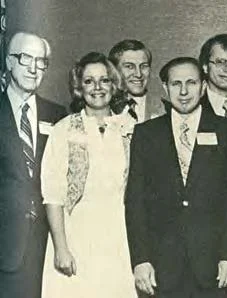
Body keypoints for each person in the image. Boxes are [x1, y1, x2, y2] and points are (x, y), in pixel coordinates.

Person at [125, 57, 227, 298]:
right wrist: (141, 260)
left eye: (191, 82)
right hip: (162, 266)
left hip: (214, 266)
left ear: (203, 87)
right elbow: (136, 202)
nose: (183, 91)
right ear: (166, 88)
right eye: (176, 83)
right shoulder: (147, 134)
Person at [40, 52, 136, 298]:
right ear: (79, 87)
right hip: (76, 235)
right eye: (89, 81)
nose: (97, 88)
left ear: (113, 85)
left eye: (104, 80)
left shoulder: (129, 129)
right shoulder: (63, 130)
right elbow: (53, 194)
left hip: (119, 237)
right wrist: (61, 248)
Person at [0, 32, 67, 298]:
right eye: (25, 58)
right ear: (9, 62)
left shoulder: (58, 114)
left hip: (45, 245)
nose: (33, 67)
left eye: (40, 61)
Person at [108, 39, 167, 123]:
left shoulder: (166, 109)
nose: (138, 74)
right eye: (129, 66)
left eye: (143, 66)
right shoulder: (102, 107)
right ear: (114, 71)